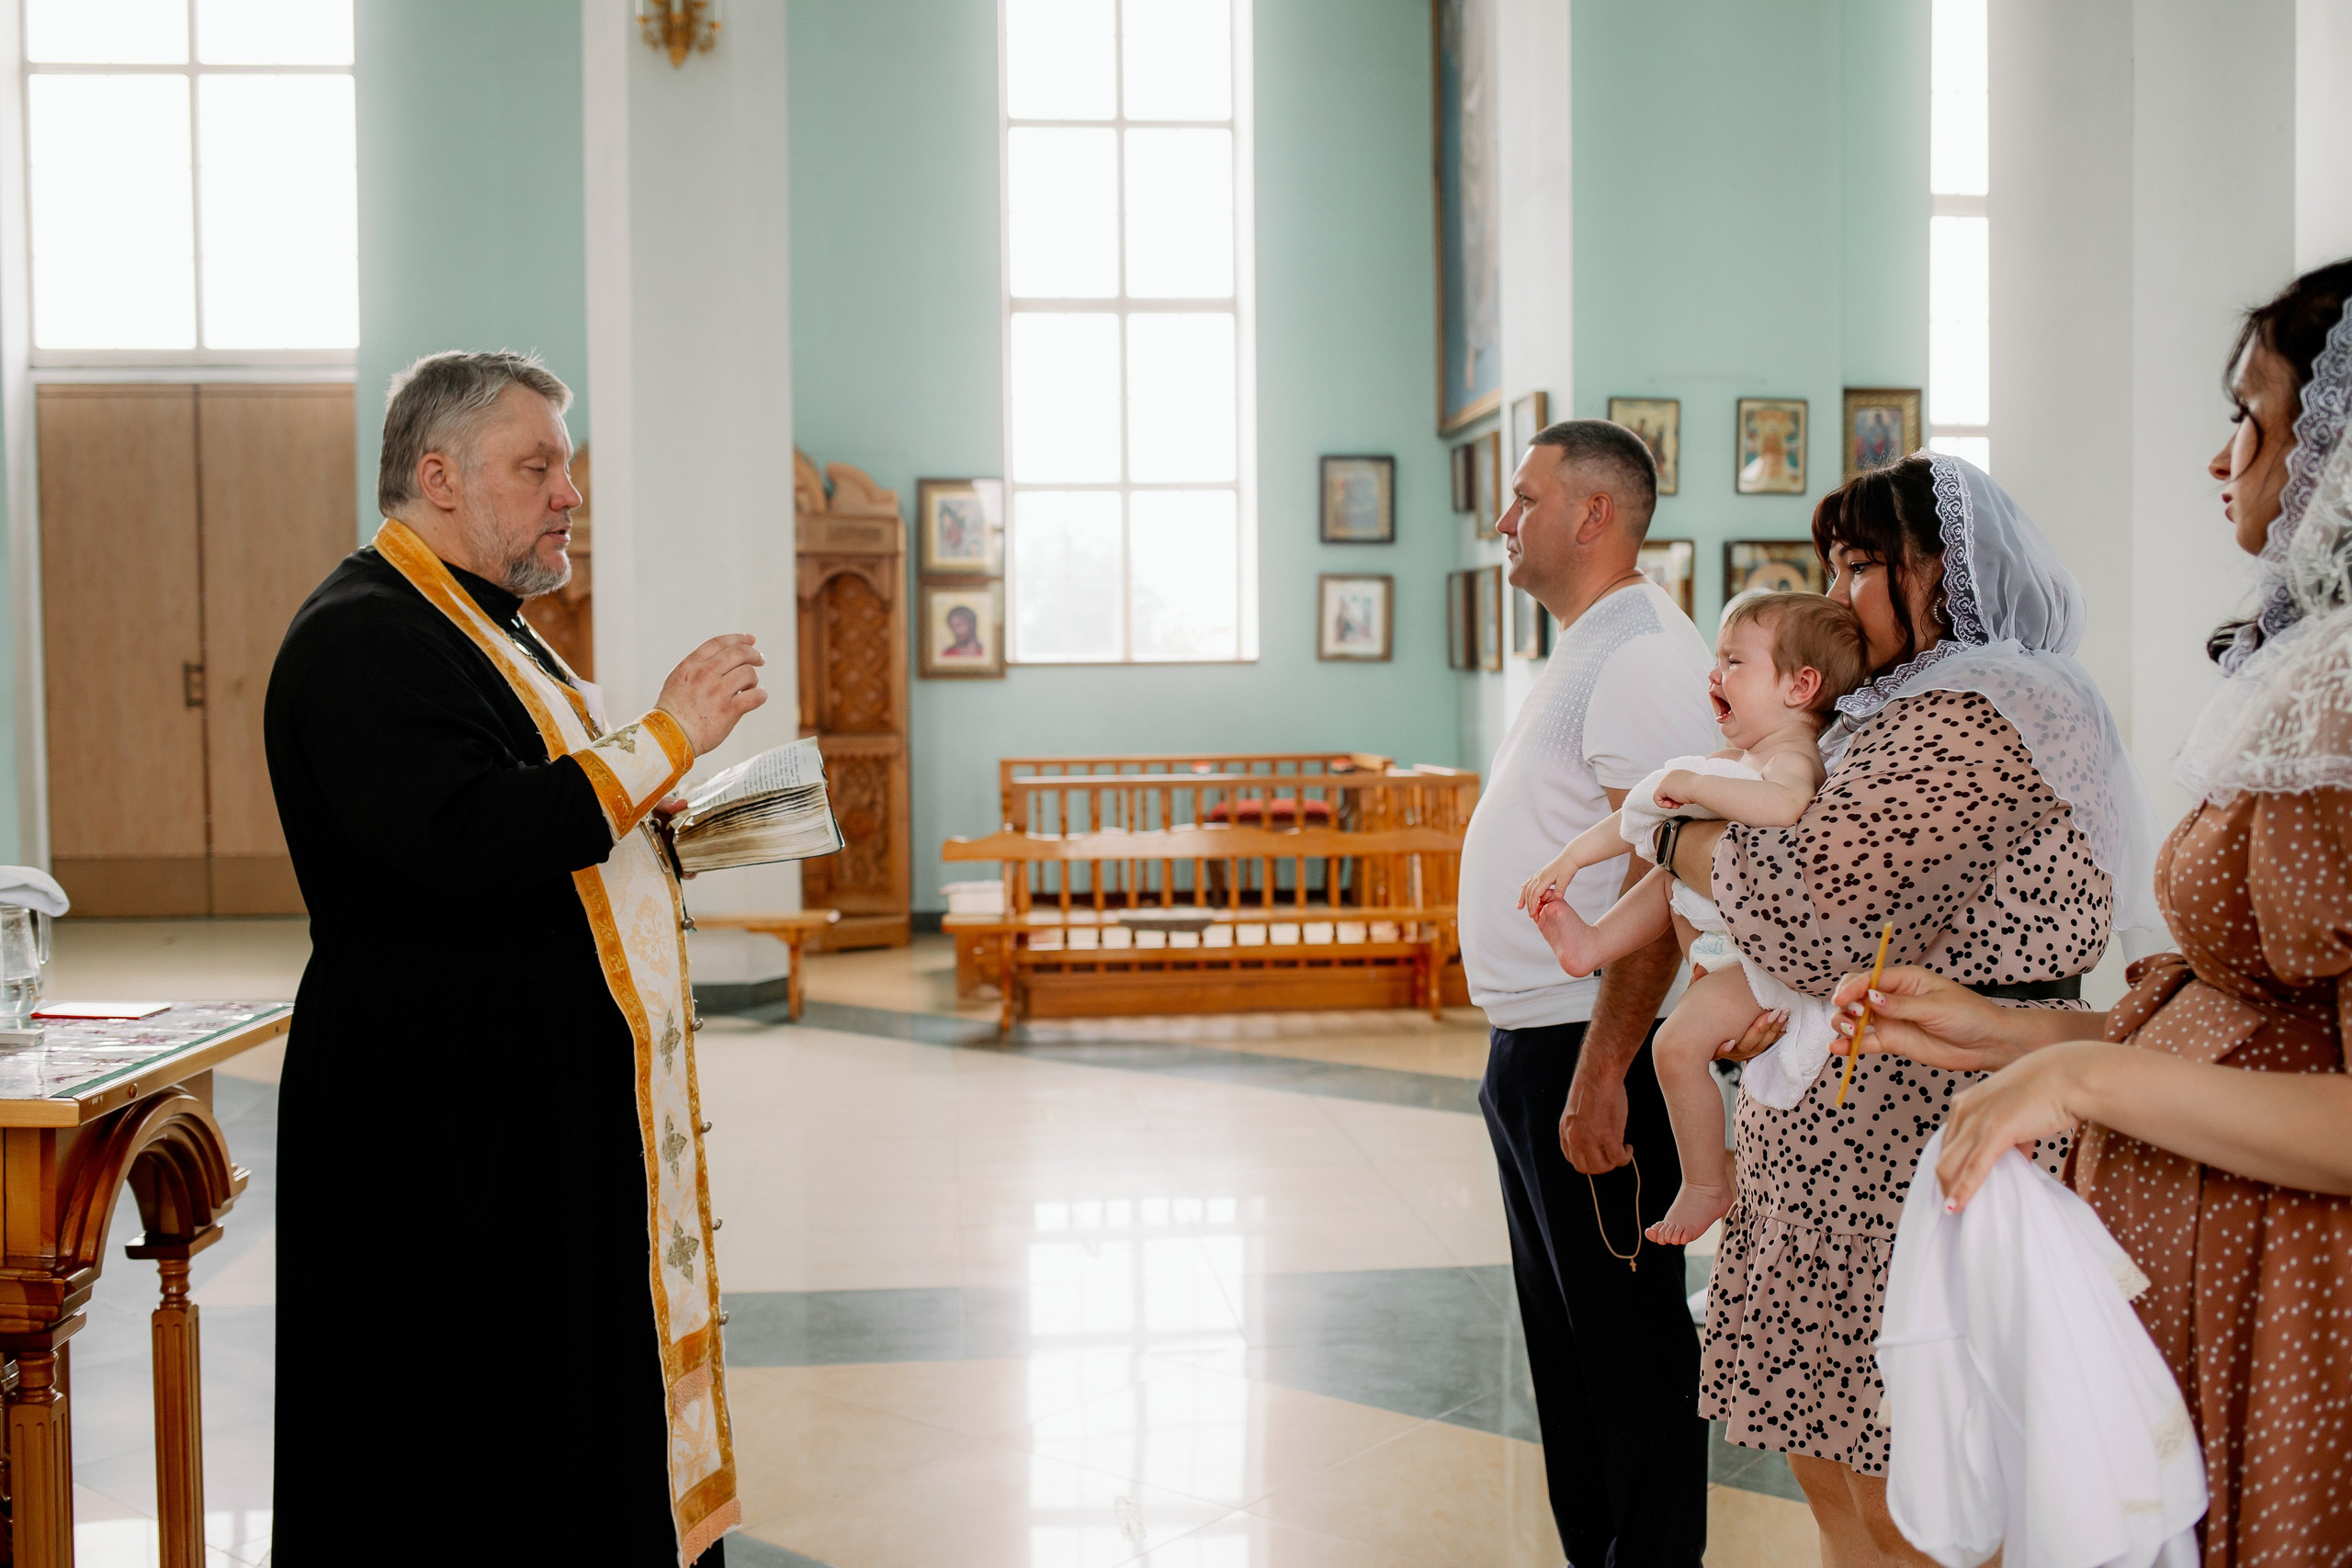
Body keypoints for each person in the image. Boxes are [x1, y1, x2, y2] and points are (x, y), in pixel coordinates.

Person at [1828, 259, 2352, 1568]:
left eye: (2255, 415)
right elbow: (2219, 1015)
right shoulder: (2303, 669)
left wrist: (2080, 1081)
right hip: (2204, 1256)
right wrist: (2011, 1031)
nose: (2221, 454)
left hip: (2294, 1286)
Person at [265, 351, 764, 1565]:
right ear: (436, 475)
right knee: (451, 1435)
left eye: (567, 464)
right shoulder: (362, 636)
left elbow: (544, 820)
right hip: (435, 1122)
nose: (568, 492)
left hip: (512, 1109)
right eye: (536, 464)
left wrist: (669, 821)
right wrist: (668, 735)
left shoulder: (488, 632)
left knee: (541, 1416)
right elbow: (475, 837)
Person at [1657, 450, 2156, 1568]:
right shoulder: (1895, 709)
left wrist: (1669, 834)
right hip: (1844, 1124)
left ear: (1944, 570)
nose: (1836, 597)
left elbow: (1810, 907)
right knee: (1836, 1472)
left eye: (1863, 566)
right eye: (1831, 566)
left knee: (1916, 1487)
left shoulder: (1987, 711)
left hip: (1921, 1129)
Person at [1463, 419, 1724, 1567]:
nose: (1503, 523)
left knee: (1625, 1354)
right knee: (1569, 1351)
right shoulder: (1588, 645)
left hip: (1588, 1047)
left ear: (1593, 514)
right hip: (1539, 1041)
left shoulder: (1643, 656)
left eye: (1524, 499)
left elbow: (1675, 884)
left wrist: (1603, 1073)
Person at [1516, 592, 1868, 1245]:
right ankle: (1589, 945)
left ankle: (1707, 1179)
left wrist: (1699, 789)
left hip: (1753, 965)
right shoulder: (1733, 761)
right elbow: (1636, 815)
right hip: (1710, 931)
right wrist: (1570, 859)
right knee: (1667, 868)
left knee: (1674, 1046)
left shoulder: (1792, 760)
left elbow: (1786, 806)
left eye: (1734, 662)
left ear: (1801, 685)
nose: (1715, 676)